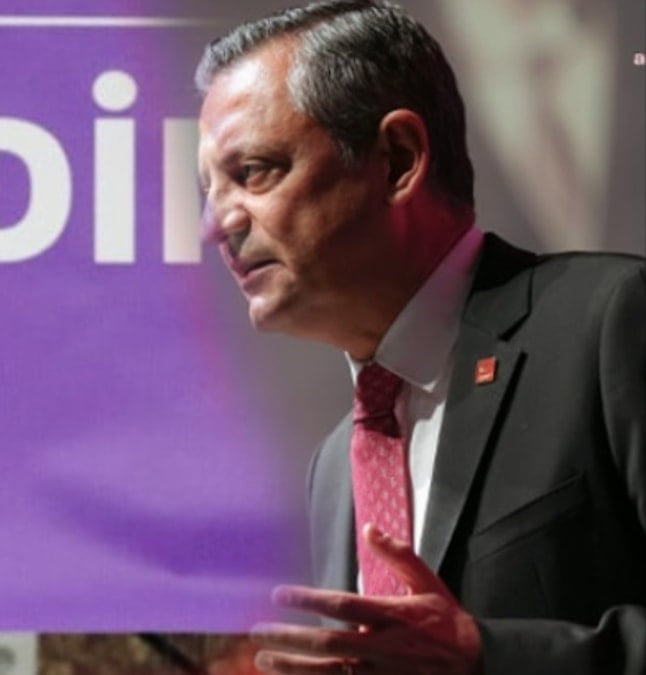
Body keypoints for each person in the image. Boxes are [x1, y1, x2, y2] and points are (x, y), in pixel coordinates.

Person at [194, 1, 644, 673]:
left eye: (253, 171)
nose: (215, 223)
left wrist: (487, 655)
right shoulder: (333, 468)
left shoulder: (611, 323)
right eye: (208, 189)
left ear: (398, 160)